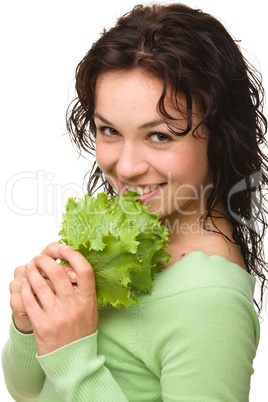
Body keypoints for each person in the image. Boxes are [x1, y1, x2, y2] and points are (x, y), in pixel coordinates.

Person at [2, 3, 268, 401]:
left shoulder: (210, 301)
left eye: (159, 135)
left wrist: (72, 354)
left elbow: (67, 374)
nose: (124, 167)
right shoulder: (126, 242)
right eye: (109, 130)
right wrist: (29, 327)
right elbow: (29, 391)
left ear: (221, 136)